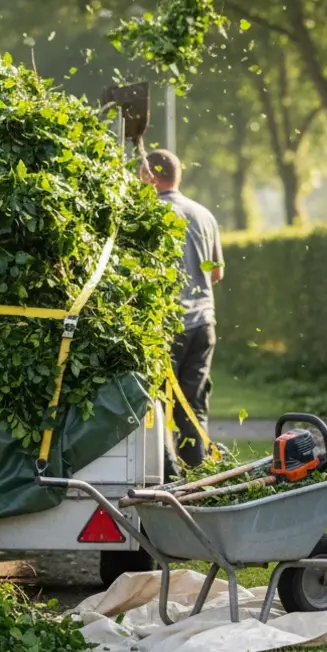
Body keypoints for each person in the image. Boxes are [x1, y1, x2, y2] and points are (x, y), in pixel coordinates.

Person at [140, 149, 224, 474]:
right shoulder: (204, 215)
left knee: (158, 407)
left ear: (149, 176)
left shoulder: (148, 214)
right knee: (193, 406)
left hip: (167, 326)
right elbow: (216, 273)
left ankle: (166, 478)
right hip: (203, 324)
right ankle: (197, 478)